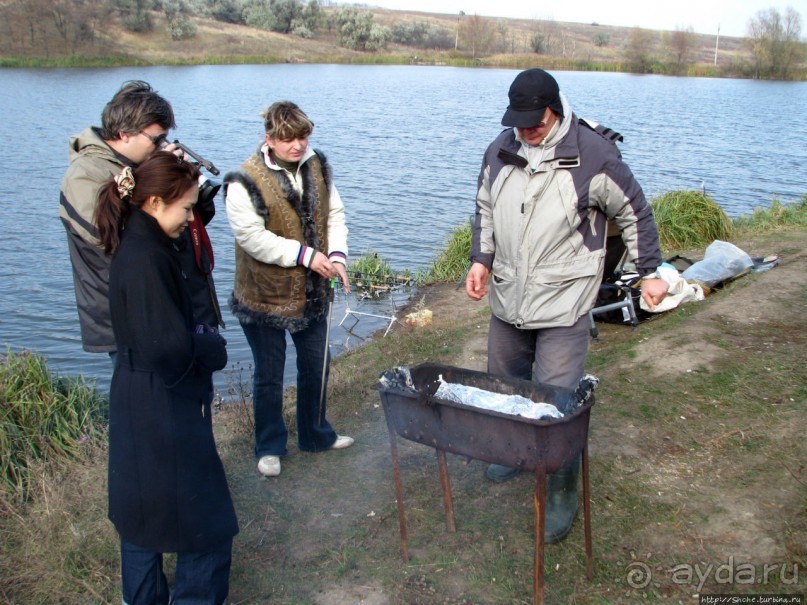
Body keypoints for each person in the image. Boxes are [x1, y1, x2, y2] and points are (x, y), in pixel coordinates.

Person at [465, 68, 669, 543]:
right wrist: (480, 260)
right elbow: (483, 209)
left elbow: (634, 210)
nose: (524, 131)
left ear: (554, 109)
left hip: (564, 301)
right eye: (517, 121)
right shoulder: (500, 148)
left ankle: (561, 487)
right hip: (508, 295)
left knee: (557, 405)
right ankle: (515, 455)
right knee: (506, 387)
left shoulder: (593, 155)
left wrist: (649, 273)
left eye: (532, 122)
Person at [96, 152, 238, 605]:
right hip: (163, 404)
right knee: (207, 522)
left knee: (141, 517)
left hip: (138, 396)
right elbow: (168, 348)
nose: (191, 217)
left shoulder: (143, 243)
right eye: (186, 208)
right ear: (154, 202)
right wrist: (209, 346)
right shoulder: (145, 259)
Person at [224, 101, 353, 478]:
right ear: (269, 139)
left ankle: (315, 435)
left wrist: (338, 257)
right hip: (263, 295)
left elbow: (336, 215)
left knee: (317, 365)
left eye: (303, 136)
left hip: (312, 293)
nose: (297, 145)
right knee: (269, 373)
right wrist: (307, 256)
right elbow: (252, 238)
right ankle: (269, 446)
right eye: (288, 138)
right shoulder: (242, 181)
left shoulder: (318, 166)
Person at [59, 80, 223, 361]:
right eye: (157, 139)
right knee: (151, 400)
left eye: (165, 138)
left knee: (195, 396)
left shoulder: (139, 162)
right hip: (133, 318)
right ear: (124, 134)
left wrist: (187, 191)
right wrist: (151, 176)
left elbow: (179, 228)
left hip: (178, 303)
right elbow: (114, 236)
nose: (163, 145)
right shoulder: (84, 175)